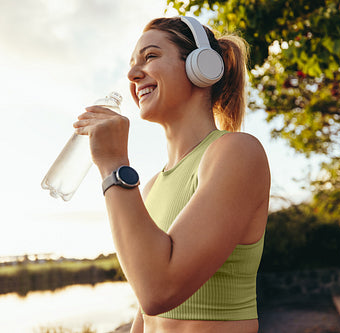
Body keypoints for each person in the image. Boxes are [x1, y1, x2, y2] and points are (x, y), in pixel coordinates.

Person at [73, 16, 270, 333]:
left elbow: (158, 291)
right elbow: (145, 312)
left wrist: (112, 163)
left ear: (200, 66)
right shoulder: (150, 187)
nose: (132, 74)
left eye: (150, 56)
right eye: (132, 63)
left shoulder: (237, 152)